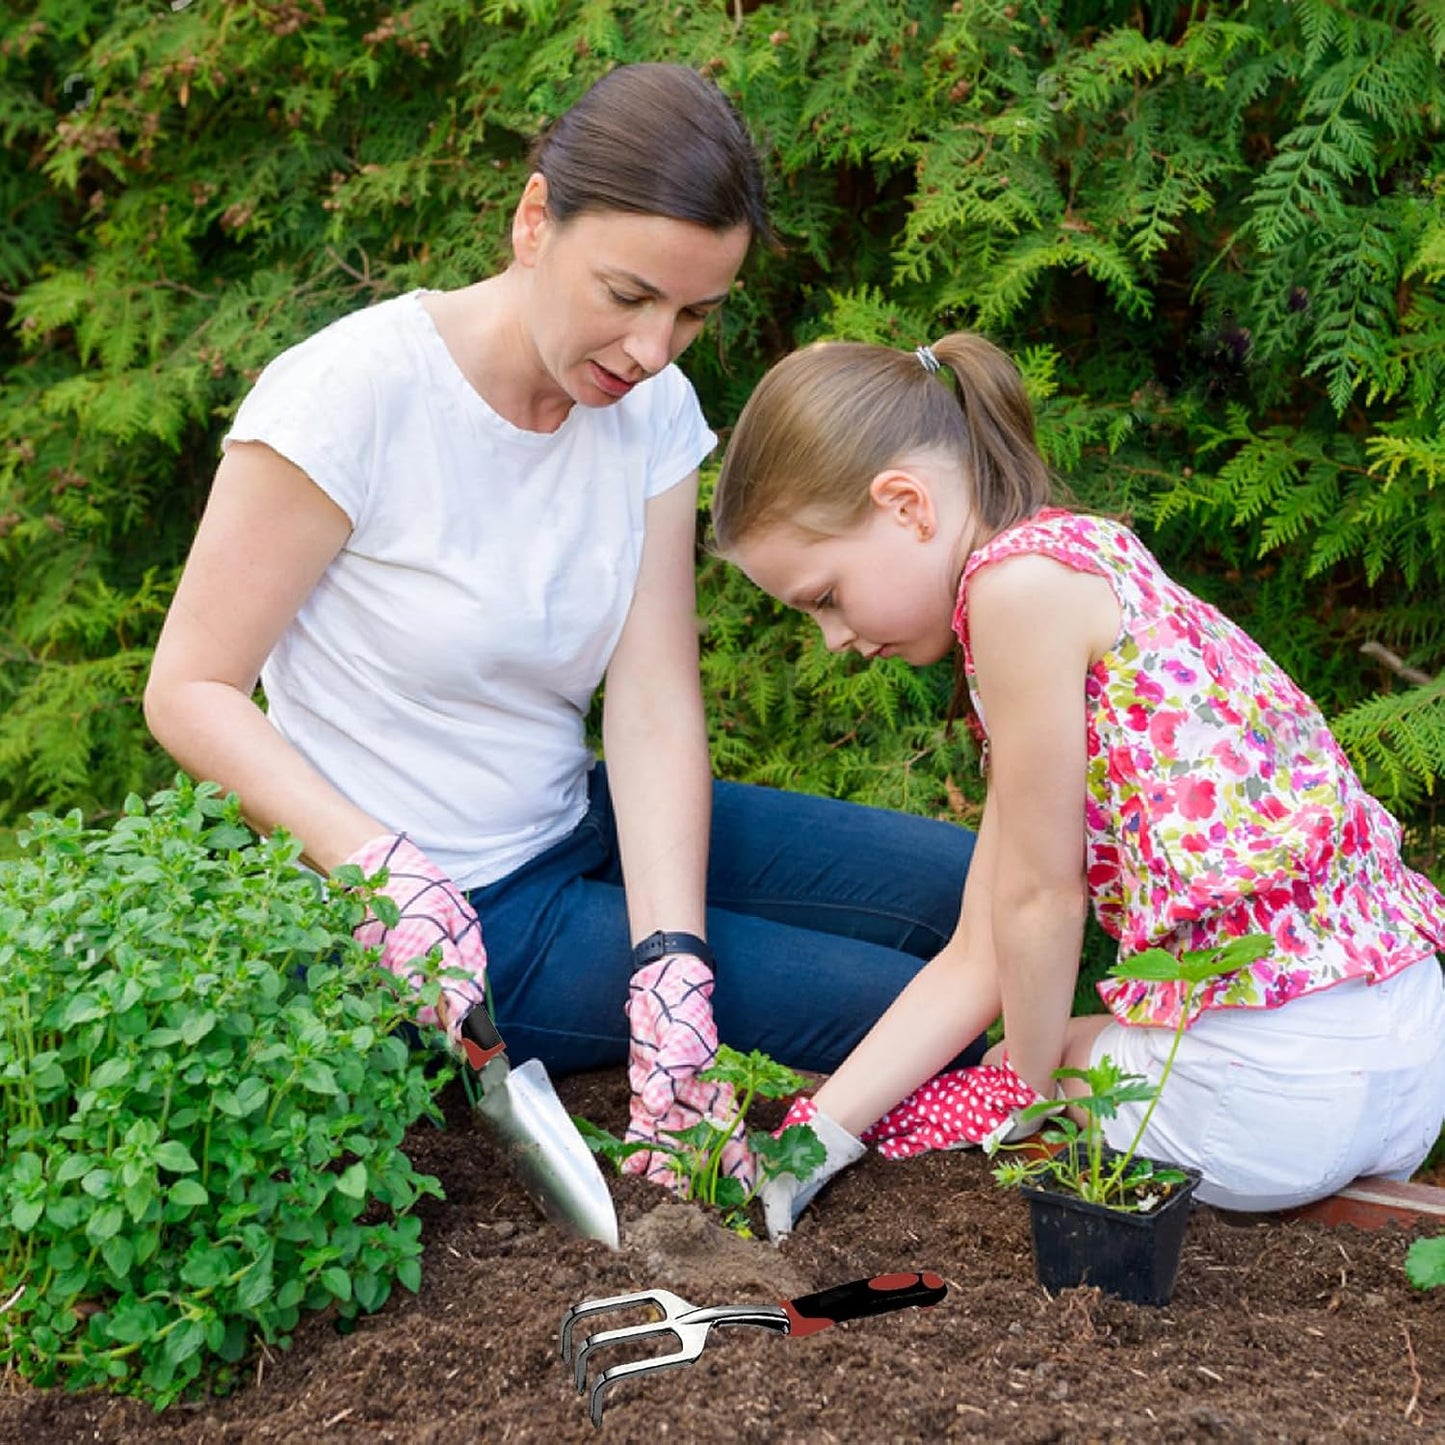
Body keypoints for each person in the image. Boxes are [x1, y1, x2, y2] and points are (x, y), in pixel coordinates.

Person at [143, 64, 983, 1193]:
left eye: (692, 313)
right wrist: (379, 872)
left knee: (972, 892)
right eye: (628, 294)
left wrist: (671, 964)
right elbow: (188, 687)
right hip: (459, 912)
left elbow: (648, 701)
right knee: (916, 1013)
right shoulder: (347, 399)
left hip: (575, 819)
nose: (652, 348)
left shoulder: (649, 413)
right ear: (534, 221)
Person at [708, 331, 1445, 1235]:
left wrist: (1022, 1112)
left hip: (1285, 1099)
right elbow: (979, 951)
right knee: (1035, 1054)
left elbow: (1040, 905)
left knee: (1002, 1083)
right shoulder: (1079, 562)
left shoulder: (1012, 593)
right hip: (1407, 1064)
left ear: (905, 504)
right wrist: (808, 1138)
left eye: (824, 596)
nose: (833, 639)